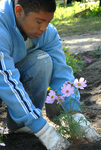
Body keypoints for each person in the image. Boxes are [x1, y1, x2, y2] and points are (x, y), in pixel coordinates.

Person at [0, 0, 100, 149]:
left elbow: (62, 73)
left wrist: (75, 113)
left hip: (8, 79)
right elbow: (6, 81)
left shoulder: (48, 33)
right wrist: (43, 129)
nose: (44, 28)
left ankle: (21, 124)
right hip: (3, 80)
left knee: (42, 61)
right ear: (19, 11)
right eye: (39, 21)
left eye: (48, 22)